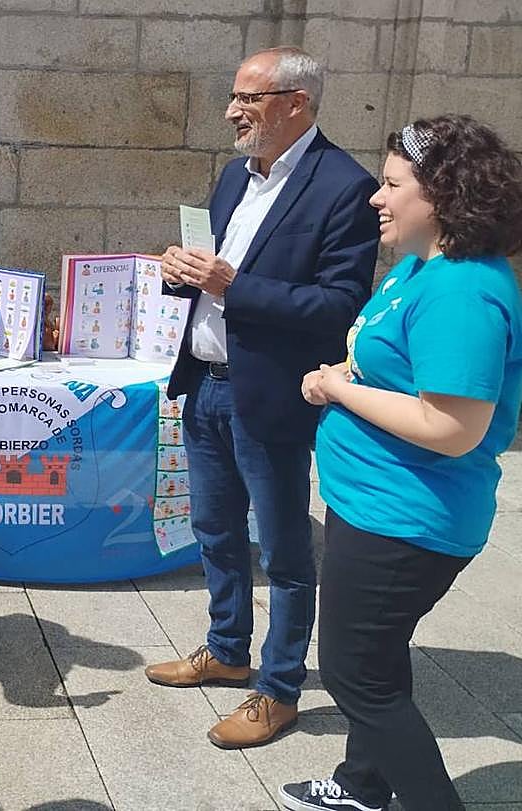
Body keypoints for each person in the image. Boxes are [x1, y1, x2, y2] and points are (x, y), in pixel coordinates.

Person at [281, 116, 522, 811]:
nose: (374, 198)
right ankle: (363, 784)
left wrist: (338, 389)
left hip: (408, 518)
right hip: (373, 501)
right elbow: (397, 373)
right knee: (378, 656)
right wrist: (346, 374)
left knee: (357, 676)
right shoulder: (422, 265)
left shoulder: (462, 292)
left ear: (443, 194)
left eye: (391, 185)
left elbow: (451, 427)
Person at [146, 46, 380, 749]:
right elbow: (214, 274)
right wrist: (181, 272)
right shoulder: (232, 176)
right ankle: (226, 648)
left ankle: (278, 687)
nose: (231, 112)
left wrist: (229, 284)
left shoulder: (344, 186)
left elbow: (340, 304)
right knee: (215, 533)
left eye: (248, 99)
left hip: (273, 398)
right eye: (236, 97)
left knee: (282, 551)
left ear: (296, 103)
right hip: (206, 385)